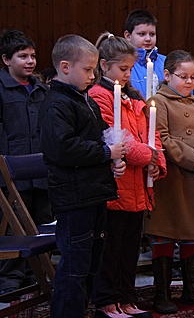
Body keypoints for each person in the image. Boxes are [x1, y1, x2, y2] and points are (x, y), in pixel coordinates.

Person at [39, 34, 126, 318]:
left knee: (90, 263)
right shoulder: (56, 103)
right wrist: (105, 152)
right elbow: (62, 148)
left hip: (93, 191)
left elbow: (98, 134)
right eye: (87, 70)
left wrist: (112, 160)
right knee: (75, 267)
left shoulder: (83, 98)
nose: (92, 76)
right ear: (65, 67)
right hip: (74, 196)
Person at [88, 33, 167, 318]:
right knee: (111, 247)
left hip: (137, 185)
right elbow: (115, 136)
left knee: (130, 247)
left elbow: (152, 133)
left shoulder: (134, 97)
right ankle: (107, 300)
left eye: (130, 69)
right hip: (116, 185)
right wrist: (150, 156)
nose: (127, 74)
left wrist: (157, 161)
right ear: (104, 65)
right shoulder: (99, 96)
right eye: (123, 69)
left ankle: (126, 296)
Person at [145, 50, 194, 313]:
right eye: (183, 76)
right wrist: (193, 159)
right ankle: (162, 292)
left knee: (193, 234)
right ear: (167, 75)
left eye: (193, 77)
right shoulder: (158, 102)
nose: (189, 82)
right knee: (166, 233)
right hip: (173, 180)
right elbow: (162, 138)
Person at [0, 30, 53, 295]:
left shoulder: (41, 89)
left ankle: (38, 273)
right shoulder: (2, 89)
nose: (30, 61)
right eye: (23, 56)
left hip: (41, 170)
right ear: (6, 59)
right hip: (11, 169)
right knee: (13, 225)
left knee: (42, 221)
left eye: (32, 56)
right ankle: (10, 278)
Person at [123, 9, 166, 99]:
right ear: (128, 36)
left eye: (152, 34)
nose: (148, 39)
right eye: (142, 34)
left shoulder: (166, 62)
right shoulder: (123, 64)